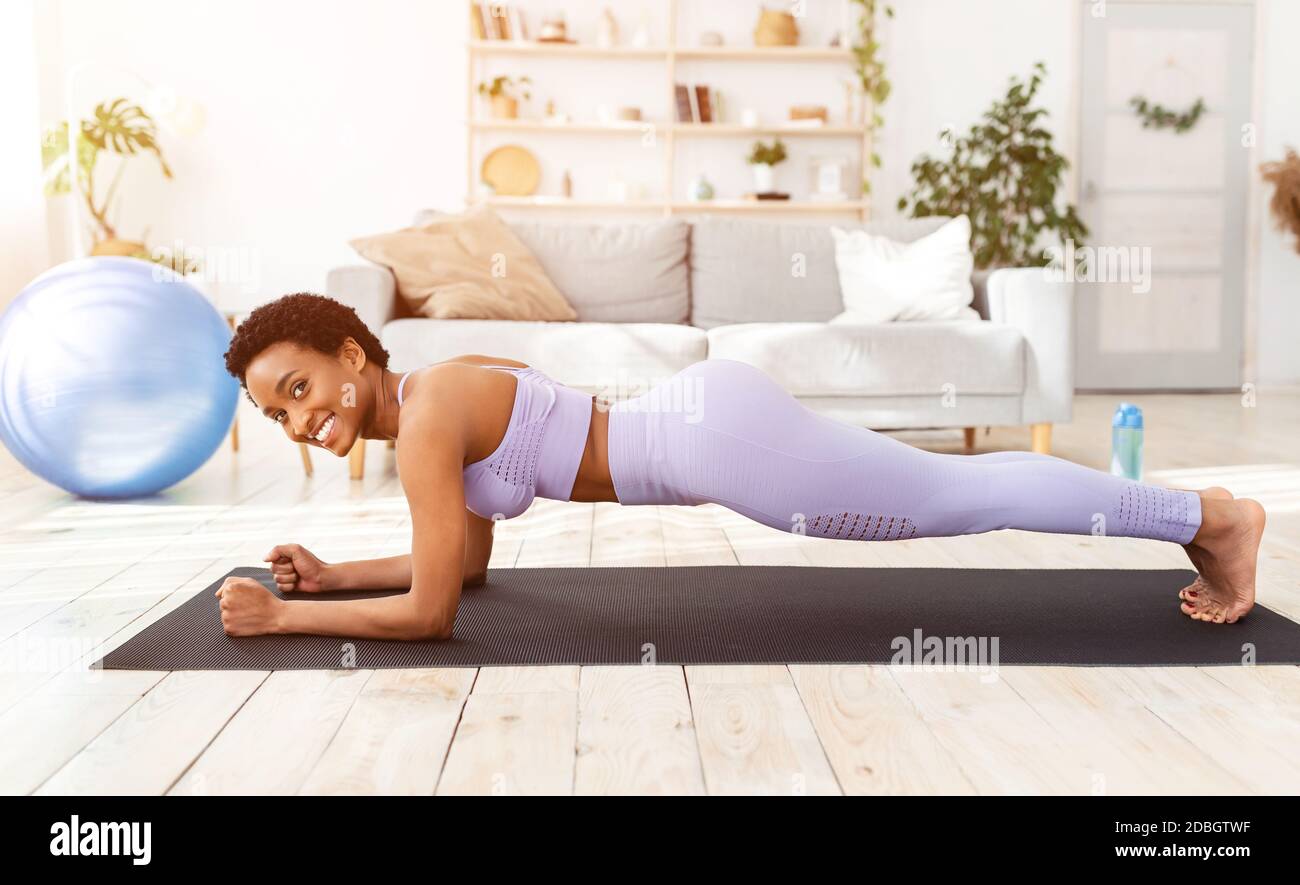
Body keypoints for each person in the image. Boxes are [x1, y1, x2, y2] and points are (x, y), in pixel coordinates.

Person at [214, 294, 1265, 639]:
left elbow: (434, 615)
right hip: (708, 425)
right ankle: (1199, 515)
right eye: (274, 415)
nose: (297, 421)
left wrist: (284, 618)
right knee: (951, 492)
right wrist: (337, 576)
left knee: (961, 495)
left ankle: (1208, 515)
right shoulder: (441, 393)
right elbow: (464, 570)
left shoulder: (435, 411)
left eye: (299, 388)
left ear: (353, 355)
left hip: (716, 445)